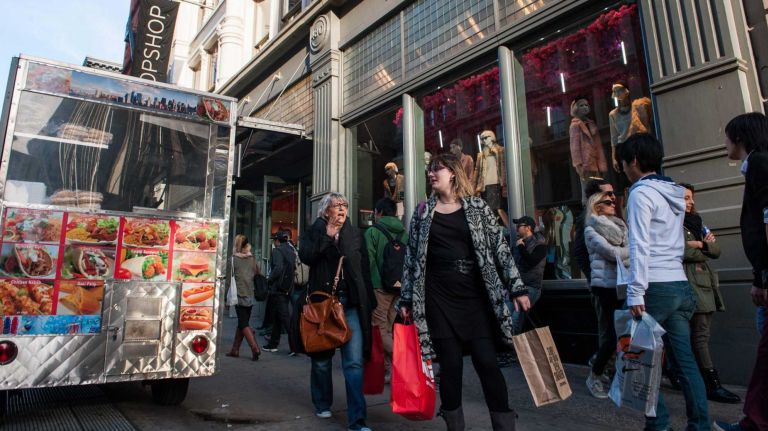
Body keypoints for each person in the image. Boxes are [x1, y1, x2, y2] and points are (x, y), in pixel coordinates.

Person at [399, 153, 530, 431]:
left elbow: (500, 249)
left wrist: (517, 287)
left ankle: (504, 424)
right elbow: (411, 258)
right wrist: (407, 298)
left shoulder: (477, 208)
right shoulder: (423, 212)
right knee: (451, 365)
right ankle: (454, 426)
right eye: (430, 170)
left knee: (487, 362)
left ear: (454, 173)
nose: (431, 174)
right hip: (437, 296)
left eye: (438, 169)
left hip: (474, 296)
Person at [618, 133, 710, 431]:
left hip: (654, 286)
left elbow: (640, 245)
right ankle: (700, 424)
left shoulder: (640, 193)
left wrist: (635, 292)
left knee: (639, 360)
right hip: (680, 284)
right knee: (685, 363)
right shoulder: (674, 192)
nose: (622, 168)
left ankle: (658, 425)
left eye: (623, 162)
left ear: (633, 161)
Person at [296, 192, 376, 431]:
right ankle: (322, 402)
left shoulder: (354, 234)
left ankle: (357, 421)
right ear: (326, 210)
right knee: (322, 361)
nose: (342, 210)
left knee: (353, 363)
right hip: (324, 305)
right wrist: (328, 237)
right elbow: (306, 256)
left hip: (350, 305)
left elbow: (363, 269)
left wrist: (369, 303)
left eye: (345, 206)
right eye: (336, 206)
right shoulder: (316, 230)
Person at [714, 112, 768, 431]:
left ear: (740, 137)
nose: (724, 143)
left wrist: (763, 277)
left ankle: (754, 423)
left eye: (726, 136)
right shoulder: (757, 166)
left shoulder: (760, 164)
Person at [678, 183, 741, 404]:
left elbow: (716, 249)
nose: (691, 202)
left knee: (699, 334)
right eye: (686, 198)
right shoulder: (672, 223)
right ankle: (712, 385)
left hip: (704, 283)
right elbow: (681, 250)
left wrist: (698, 244)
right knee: (698, 336)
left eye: (691, 197)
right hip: (690, 284)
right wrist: (701, 246)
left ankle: (684, 375)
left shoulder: (698, 222)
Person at [583, 191, 627, 399]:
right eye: (608, 202)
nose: (613, 205)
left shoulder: (621, 226)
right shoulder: (591, 229)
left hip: (623, 285)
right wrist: (635, 250)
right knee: (610, 335)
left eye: (613, 201)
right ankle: (595, 374)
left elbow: (620, 253)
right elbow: (613, 253)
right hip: (605, 286)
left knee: (624, 335)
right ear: (597, 206)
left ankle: (613, 373)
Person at [364, 197, 407, 383]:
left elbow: (369, 261)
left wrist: (372, 284)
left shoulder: (373, 231)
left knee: (379, 328)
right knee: (388, 327)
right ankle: (391, 372)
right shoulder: (404, 233)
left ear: (379, 212)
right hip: (399, 288)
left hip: (380, 287)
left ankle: (404, 358)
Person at [226, 235, 262, 361]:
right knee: (243, 322)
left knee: (243, 323)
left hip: (239, 294)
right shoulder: (252, 258)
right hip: (250, 293)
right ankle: (235, 350)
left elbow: (228, 278)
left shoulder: (233, 259)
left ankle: (255, 348)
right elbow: (258, 272)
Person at [574, 178, 615, 283]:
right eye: (609, 194)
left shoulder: (611, 216)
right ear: (596, 197)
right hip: (603, 285)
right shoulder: (586, 218)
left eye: (613, 193)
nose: (613, 197)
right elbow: (579, 251)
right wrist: (593, 278)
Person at [510, 215, 546, 335]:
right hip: (516, 287)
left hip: (531, 287)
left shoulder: (539, 245)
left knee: (516, 316)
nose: (516, 229)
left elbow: (531, 261)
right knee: (506, 317)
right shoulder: (518, 244)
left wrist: (521, 247)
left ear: (528, 228)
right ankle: (509, 348)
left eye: (519, 226)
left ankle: (513, 348)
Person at [262, 229, 296, 353]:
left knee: (285, 317)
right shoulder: (291, 250)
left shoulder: (277, 251)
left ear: (277, 241)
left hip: (279, 288)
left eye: (275, 240)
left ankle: (295, 346)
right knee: (278, 317)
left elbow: (278, 268)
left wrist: (269, 280)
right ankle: (273, 344)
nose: (274, 243)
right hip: (289, 287)